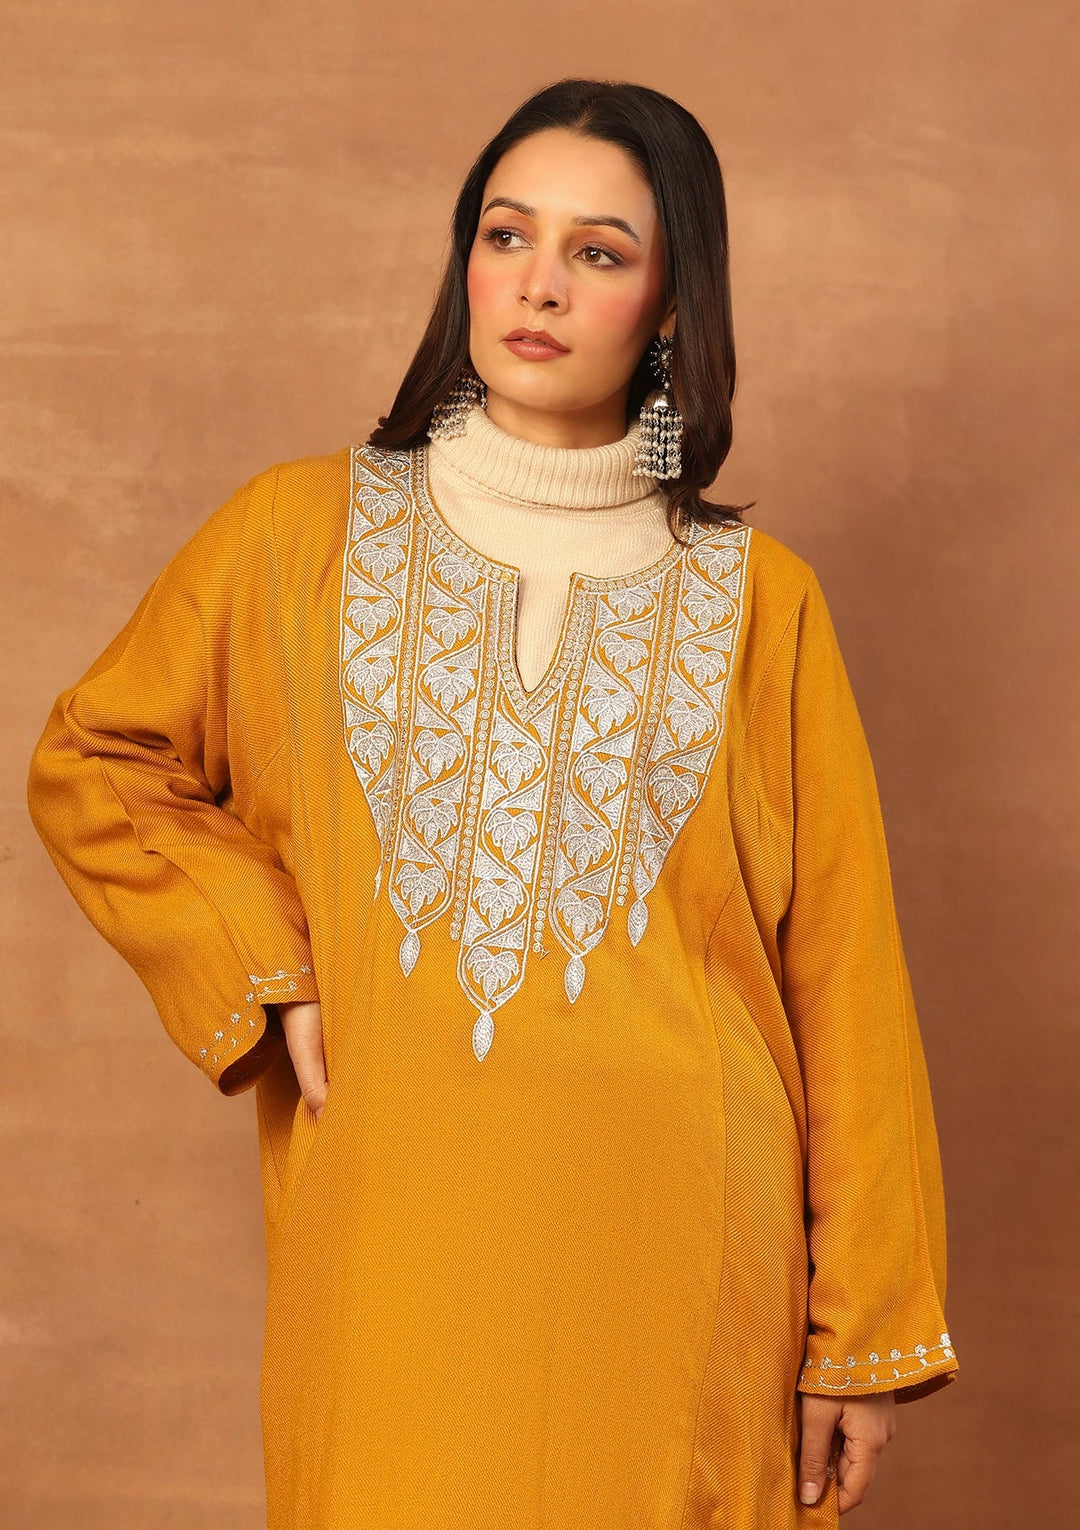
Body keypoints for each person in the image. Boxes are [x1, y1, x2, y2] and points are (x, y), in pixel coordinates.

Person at [25, 77, 959, 1529]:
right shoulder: (295, 537)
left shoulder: (761, 605)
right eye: (506, 235)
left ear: (672, 304)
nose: (539, 284)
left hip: (682, 1265)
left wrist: (866, 1330)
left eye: (599, 251)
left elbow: (845, 976)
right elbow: (96, 757)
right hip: (392, 1247)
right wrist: (260, 959)